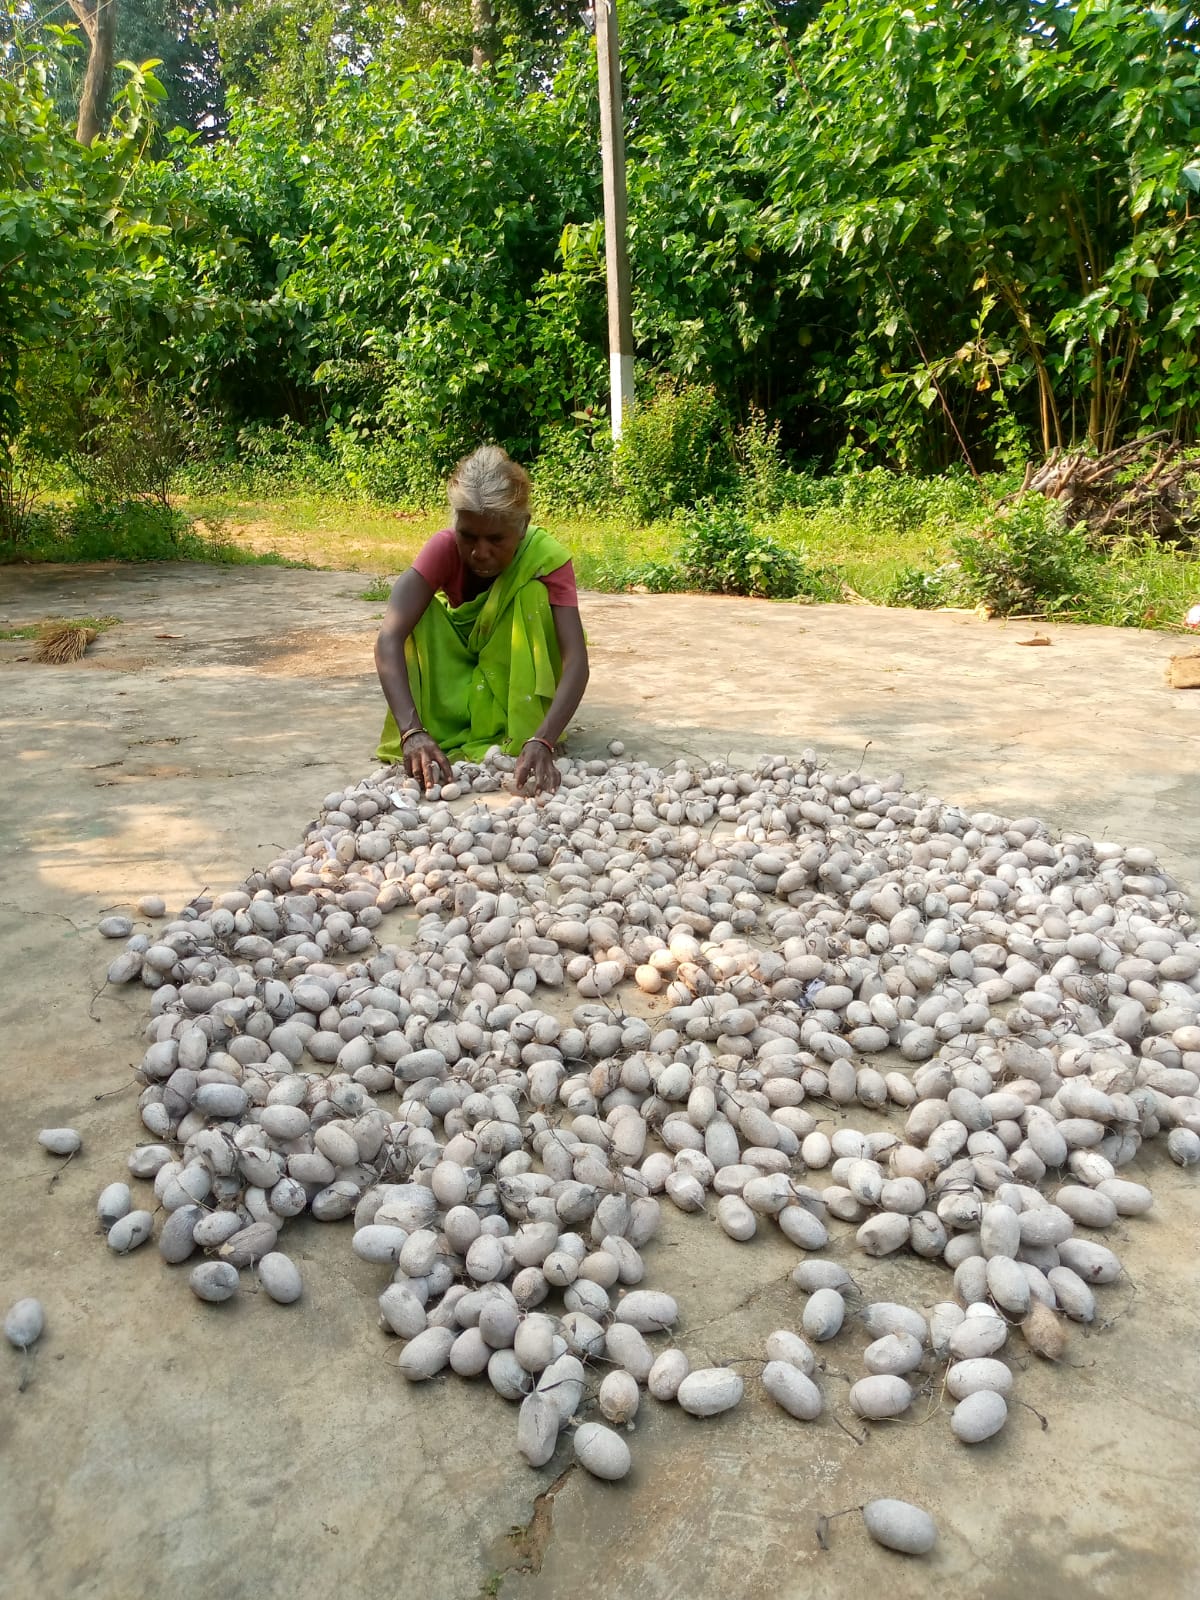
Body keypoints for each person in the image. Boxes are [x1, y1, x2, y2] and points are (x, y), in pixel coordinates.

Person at [374, 445, 590, 795]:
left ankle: (523, 729)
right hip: (458, 675)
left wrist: (544, 739)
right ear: (455, 525)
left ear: (522, 528)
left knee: (532, 595)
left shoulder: (545, 559)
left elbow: (576, 660)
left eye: (496, 539)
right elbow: (389, 637)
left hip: (510, 679)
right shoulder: (443, 548)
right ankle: (443, 727)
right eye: (468, 536)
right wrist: (411, 731)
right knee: (416, 610)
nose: (480, 552)